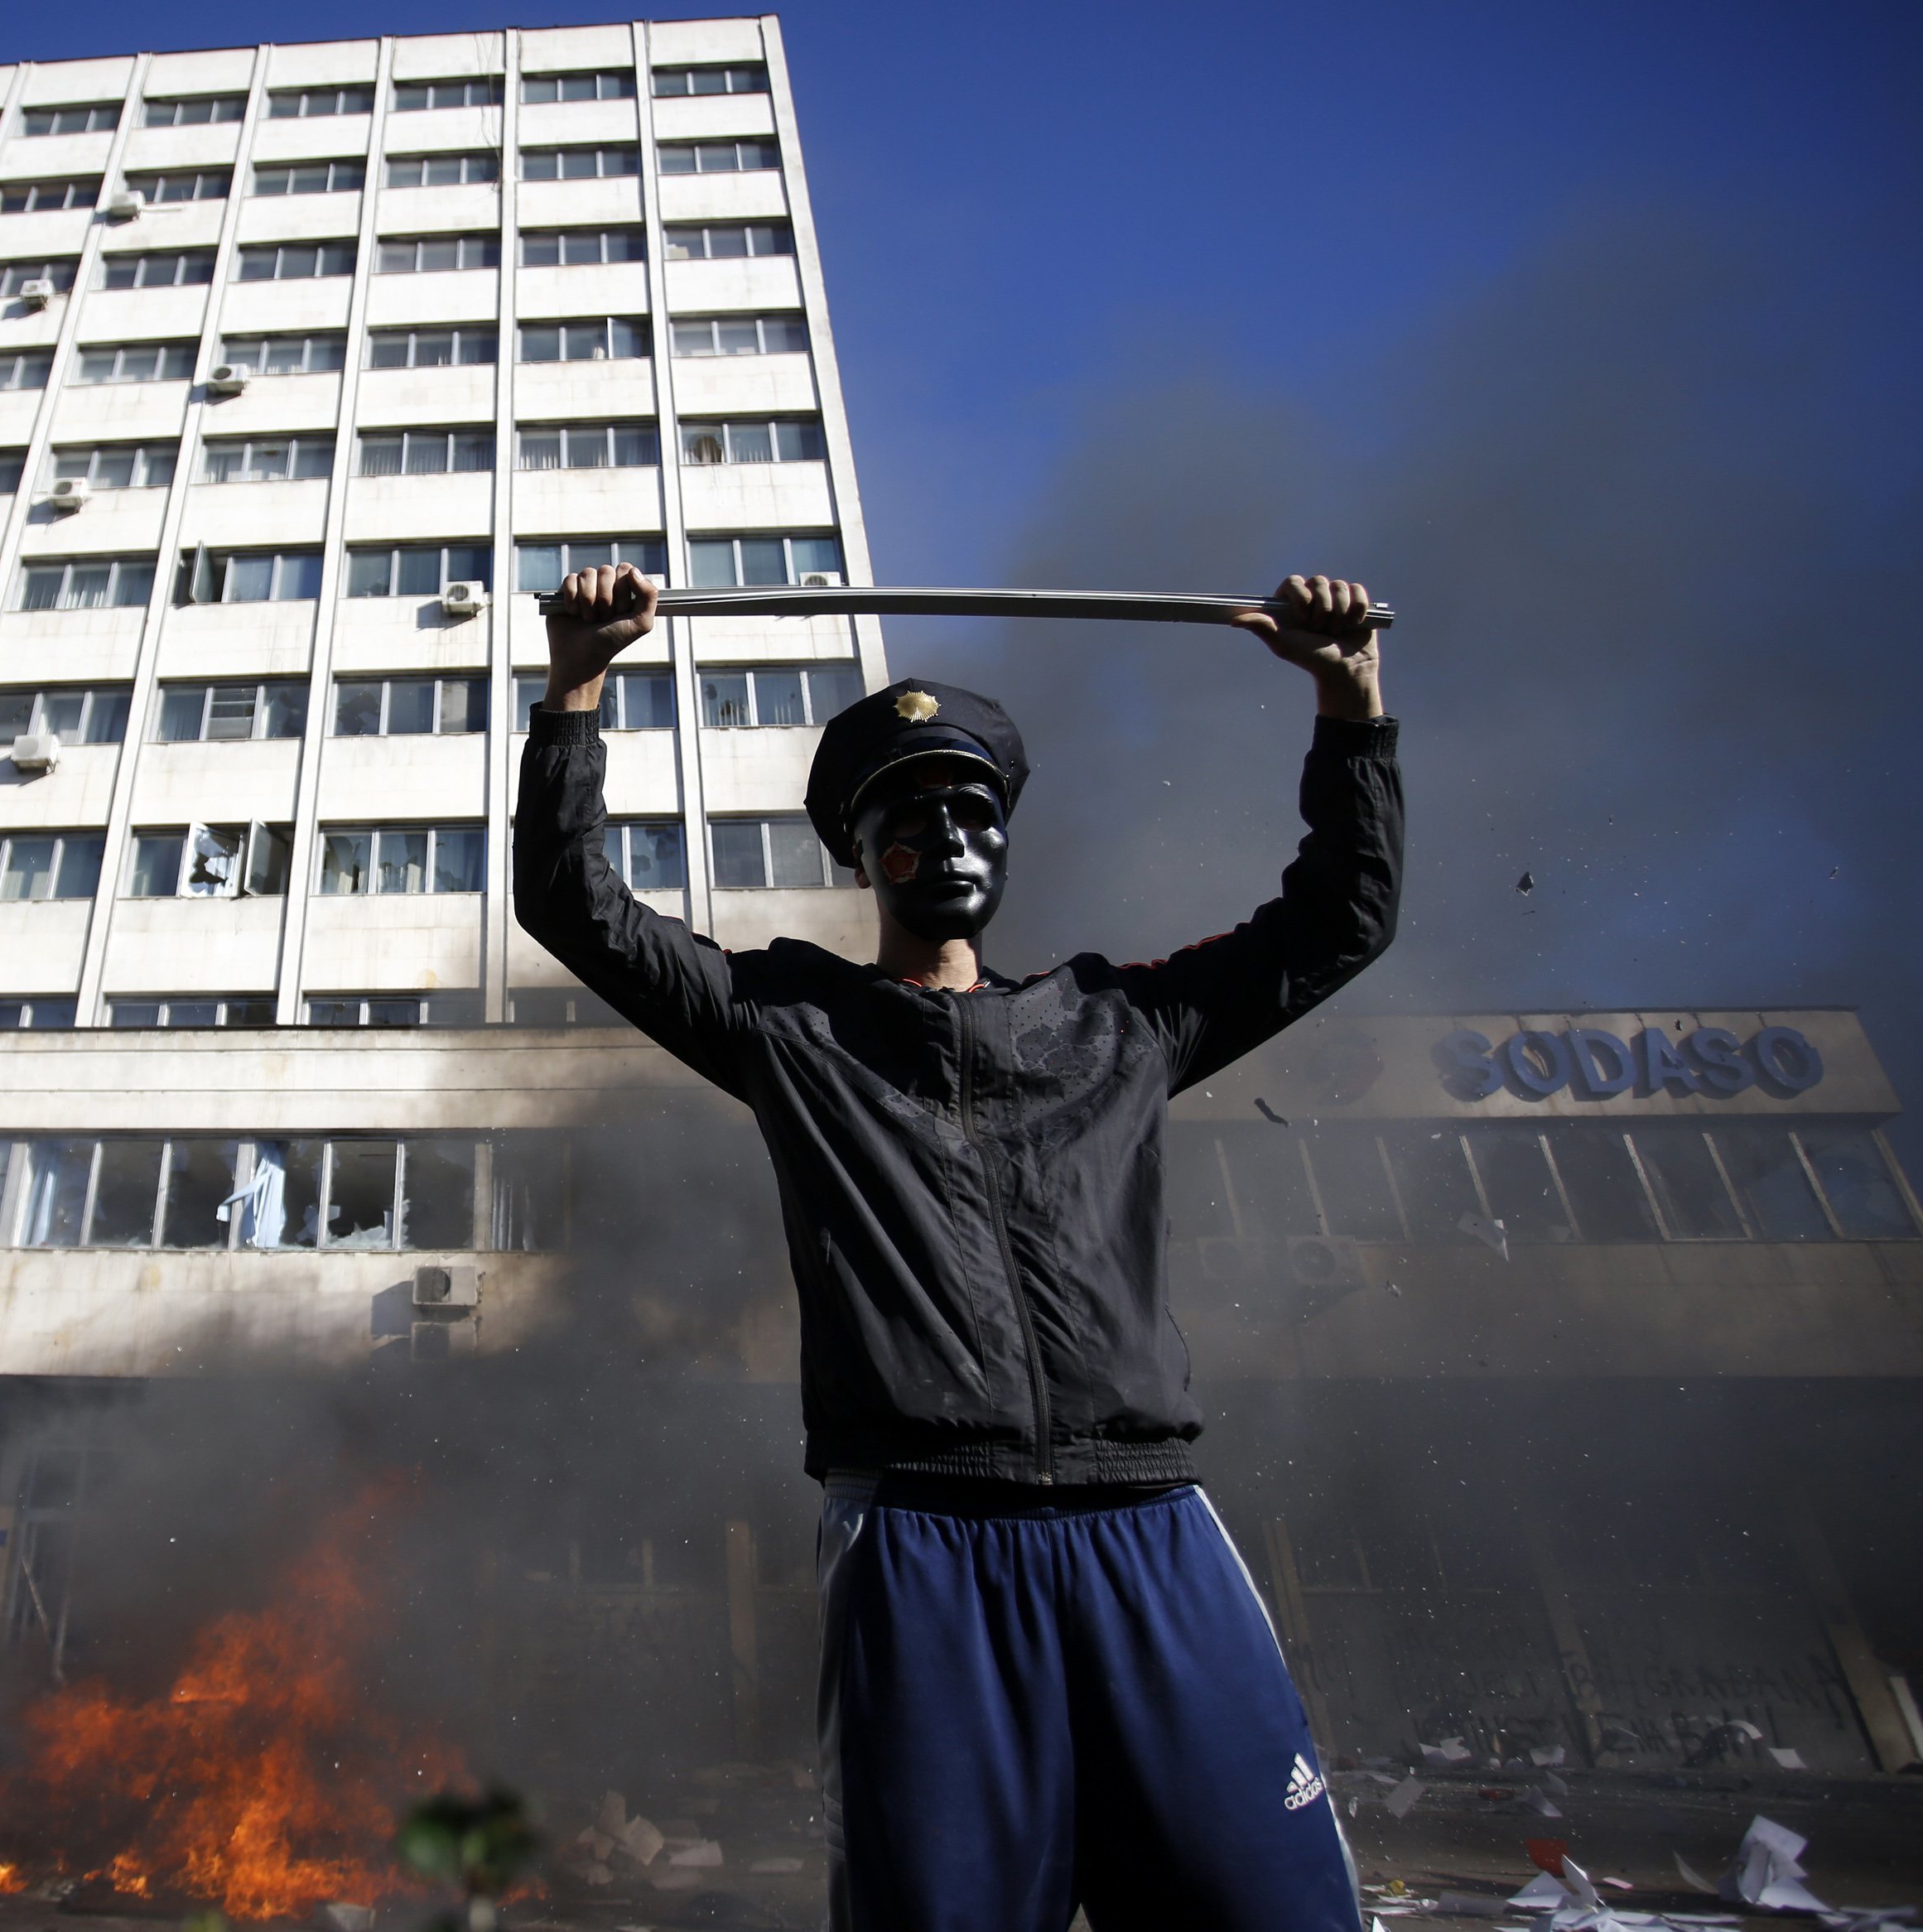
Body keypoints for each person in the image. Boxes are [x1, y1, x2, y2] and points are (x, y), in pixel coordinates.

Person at [513, 568, 1400, 1932]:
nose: (954, 830)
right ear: (864, 856)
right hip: (922, 1543)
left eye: (978, 804)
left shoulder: (1122, 1022)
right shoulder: (792, 1027)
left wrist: (1350, 700)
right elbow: (575, 902)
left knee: (1268, 1904)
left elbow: (1341, 915)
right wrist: (577, 680)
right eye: (913, 812)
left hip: (1147, 1524)